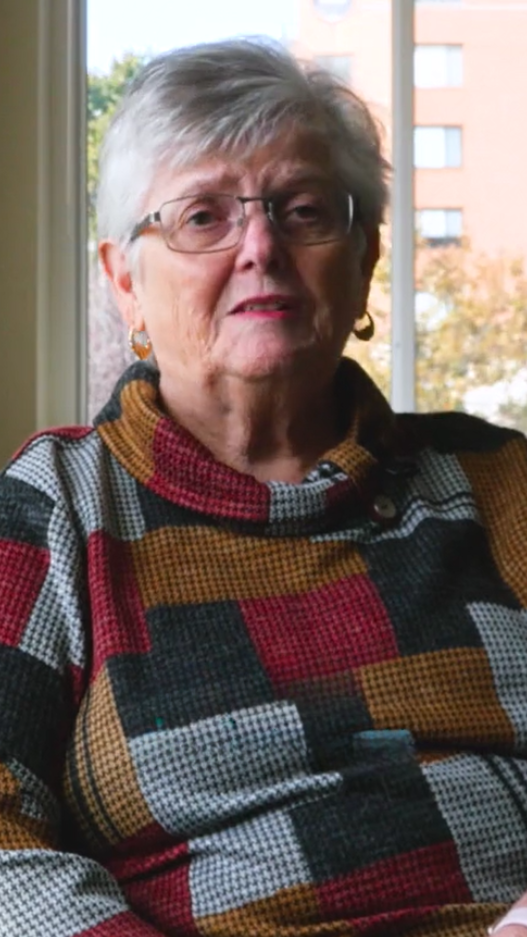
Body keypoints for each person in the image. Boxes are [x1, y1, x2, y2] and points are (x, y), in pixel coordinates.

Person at [0, 37, 526, 937]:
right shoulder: (58, 503)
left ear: (361, 259)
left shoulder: (498, 481)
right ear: (125, 280)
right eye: (202, 216)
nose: (259, 246)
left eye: (302, 209)